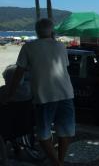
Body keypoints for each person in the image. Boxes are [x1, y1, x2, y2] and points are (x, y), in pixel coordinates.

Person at [5, 19, 74, 166]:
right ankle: (60, 161)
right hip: (66, 93)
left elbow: (19, 72)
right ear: (52, 31)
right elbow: (64, 67)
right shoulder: (61, 46)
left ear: (36, 31)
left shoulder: (29, 47)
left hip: (44, 96)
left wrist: (10, 93)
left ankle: (57, 163)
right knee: (65, 132)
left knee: (43, 135)